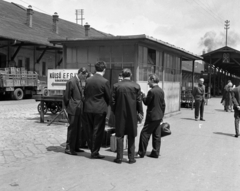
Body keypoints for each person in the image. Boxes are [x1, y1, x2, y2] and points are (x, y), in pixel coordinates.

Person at [112, 68, 143, 164]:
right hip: (132, 114)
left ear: (122, 75)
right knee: (131, 135)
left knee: (120, 135)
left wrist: (115, 111)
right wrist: (140, 113)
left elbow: (112, 101)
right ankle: (131, 158)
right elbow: (139, 101)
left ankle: (119, 158)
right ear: (131, 75)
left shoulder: (116, 86)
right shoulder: (136, 86)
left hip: (120, 114)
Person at [83, 61, 110, 159]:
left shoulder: (88, 80)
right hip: (99, 109)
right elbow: (108, 97)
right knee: (98, 131)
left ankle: (91, 149)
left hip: (88, 108)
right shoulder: (105, 81)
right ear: (104, 69)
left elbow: (85, 93)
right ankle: (95, 152)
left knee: (89, 130)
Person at [137, 74, 166, 159]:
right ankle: (155, 152)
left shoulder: (151, 91)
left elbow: (146, 102)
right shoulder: (161, 91)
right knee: (157, 135)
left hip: (152, 117)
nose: (147, 82)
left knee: (144, 134)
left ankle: (141, 152)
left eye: (148, 80)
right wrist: (161, 116)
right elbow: (163, 105)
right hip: (159, 116)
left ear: (152, 80)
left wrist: (143, 95)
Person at [63, 67, 88, 155]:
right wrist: (68, 106)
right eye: (84, 76)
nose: (85, 78)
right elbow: (66, 96)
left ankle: (76, 146)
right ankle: (69, 148)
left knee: (78, 128)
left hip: (79, 108)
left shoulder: (79, 81)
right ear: (80, 73)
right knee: (72, 128)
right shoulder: (71, 81)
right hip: (73, 108)